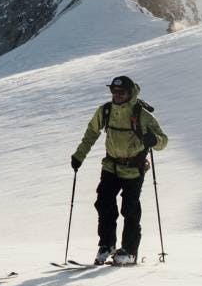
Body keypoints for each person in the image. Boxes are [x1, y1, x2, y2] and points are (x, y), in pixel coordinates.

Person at [70, 76, 168, 265]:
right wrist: (79, 156)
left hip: (134, 169)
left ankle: (130, 251)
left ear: (130, 92)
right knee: (103, 203)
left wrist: (154, 140)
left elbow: (163, 140)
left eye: (121, 92)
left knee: (130, 209)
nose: (116, 95)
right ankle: (107, 245)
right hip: (111, 166)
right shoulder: (106, 111)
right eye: (113, 92)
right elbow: (92, 132)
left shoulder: (143, 114)